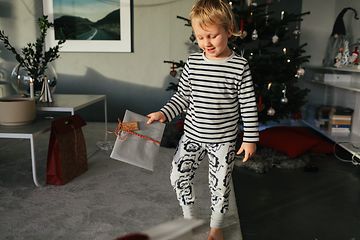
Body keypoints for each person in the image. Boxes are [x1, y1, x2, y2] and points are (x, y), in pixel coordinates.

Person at [147, 0, 259, 239]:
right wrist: (163, 113)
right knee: (178, 175)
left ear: (229, 30)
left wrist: (250, 138)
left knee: (219, 185)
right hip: (192, 136)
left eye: (212, 36)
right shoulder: (194, 63)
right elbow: (182, 97)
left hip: (223, 140)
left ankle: (216, 227)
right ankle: (190, 218)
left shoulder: (239, 67)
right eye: (200, 37)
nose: (206, 43)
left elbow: (248, 106)